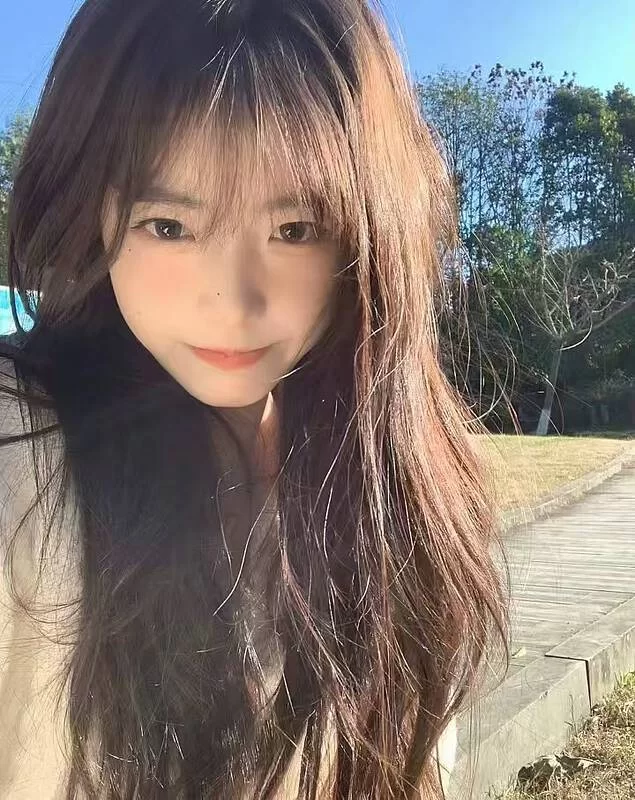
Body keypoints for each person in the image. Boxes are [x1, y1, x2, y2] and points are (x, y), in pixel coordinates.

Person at [0, 1, 507, 798]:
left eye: (294, 229)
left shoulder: (395, 480)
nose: (233, 303)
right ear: (91, 210)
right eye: (168, 226)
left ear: (365, 234)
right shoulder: (22, 451)